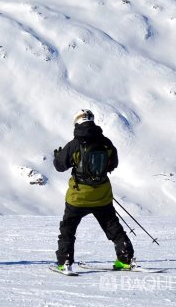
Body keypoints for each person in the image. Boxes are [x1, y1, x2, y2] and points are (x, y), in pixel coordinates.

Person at [52, 109, 134, 273]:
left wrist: (58, 155)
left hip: (78, 196)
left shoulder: (74, 144)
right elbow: (113, 164)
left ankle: (65, 262)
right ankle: (125, 259)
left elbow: (59, 166)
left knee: (68, 229)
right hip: (102, 194)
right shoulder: (106, 142)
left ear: (77, 122)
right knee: (112, 226)